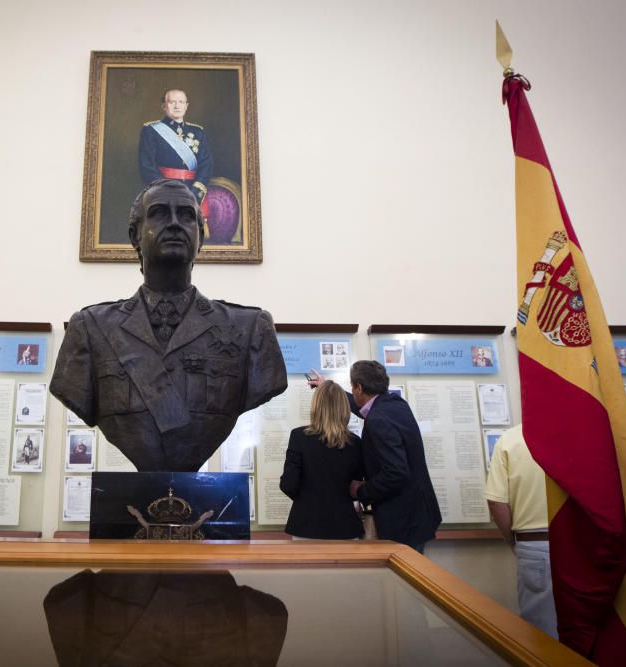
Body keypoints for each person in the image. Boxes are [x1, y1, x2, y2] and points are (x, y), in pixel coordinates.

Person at [50, 179, 287, 472]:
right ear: (134, 236)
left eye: (186, 215)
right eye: (160, 213)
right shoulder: (90, 329)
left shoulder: (250, 330)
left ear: (201, 235)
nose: (175, 223)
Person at [310, 361, 441, 552]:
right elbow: (364, 406)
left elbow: (396, 473)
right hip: (418, 514)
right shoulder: (395, 405)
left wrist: (361, 491)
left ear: (359, 388)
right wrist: (327, 388)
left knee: (403, 578)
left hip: (403, 520)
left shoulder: (378, 420)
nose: (353, 391)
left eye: (352, 386)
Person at [485, 424, 557, 638]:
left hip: (534, 544)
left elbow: (496, 502)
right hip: (582, 544)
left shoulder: (510, 439)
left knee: (541, 634)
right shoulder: (581, 433)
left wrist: (512, 541)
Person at [279, 380, 365, 539]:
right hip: (345, 526)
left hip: (306, 526)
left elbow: (288, 485)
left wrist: (307, 499)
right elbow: (355, 488)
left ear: (316, 406)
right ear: (344, 407)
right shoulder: (356, 443)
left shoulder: (299, 437)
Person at [138, 89, 213, 220]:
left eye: (181, 102)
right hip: (164, 191)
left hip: (193, 191)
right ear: (164, 106)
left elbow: (206, 164)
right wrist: (167, 190)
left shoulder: (198, 131)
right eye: (172, 102)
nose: (177, 106)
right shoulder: (151, 130)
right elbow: (147, 166)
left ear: (186, 106)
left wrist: (196, 192)